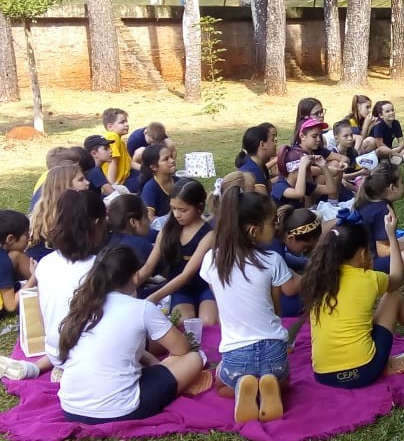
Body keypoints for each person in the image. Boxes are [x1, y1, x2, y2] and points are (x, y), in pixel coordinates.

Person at [56, 244, 208, 424]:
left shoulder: (83, 305)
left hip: (71, 408)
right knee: (194, 358)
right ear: (136, 276)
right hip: (121, 409)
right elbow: (182, 349)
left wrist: (152, 361)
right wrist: (158, 363)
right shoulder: (141, 308)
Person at [300, 207, 404, 389]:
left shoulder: (317, 279)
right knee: (393, 297)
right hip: (363, 371)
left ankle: (381, 362)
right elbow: (396, 279)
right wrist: (391, 236)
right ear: (363, 254)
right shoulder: (367, 279)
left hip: (323, 375)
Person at [200, 174, 299, 422]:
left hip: (236, 355)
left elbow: (221, 299)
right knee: (284, 381)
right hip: (274, 352)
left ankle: (243, 386)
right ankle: (270, 384)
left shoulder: (212, 260)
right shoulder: (273, 260)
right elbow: (276, 310)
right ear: (254, 230)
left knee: (220, 383)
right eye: (273, 222)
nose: (277, 227)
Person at [0, 190, 107, 381]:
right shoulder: (100, 268)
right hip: (90, 356)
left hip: (55, 348)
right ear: (97, 223)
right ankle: (64, 367)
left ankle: (42, 367)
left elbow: (44, 316)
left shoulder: (45, 263)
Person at [138, 180, 219, 324]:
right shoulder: (167, 230)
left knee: (208, 321)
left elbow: (187, 274)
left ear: (199, 207)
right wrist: (129, 286)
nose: (177, 214)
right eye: (173, 208)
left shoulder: (208, 234)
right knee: (183, 321)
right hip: (180, 289)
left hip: (204, 287)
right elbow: (148, 267)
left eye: (183, 210)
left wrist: (152, 298)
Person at [27, 164, 90, 264]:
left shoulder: (41, 213)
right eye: (81, 180)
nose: (87, 182)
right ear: (65, 186)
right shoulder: (67, 216)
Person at [269, 206, 322, 318]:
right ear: (291, 238)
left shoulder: (276, 239)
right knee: (316, 296)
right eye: (305, 247)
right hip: (269, 302)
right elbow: (290, 289)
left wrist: (305, 262)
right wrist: (316, 274)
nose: (306, 251)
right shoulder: (274, 248)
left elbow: (285, 258)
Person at [106, 194, 155, 263]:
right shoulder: (140, 245)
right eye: (146, 216)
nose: (149, 221)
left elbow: (154, 234)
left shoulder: (109, 240)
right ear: (133, 222)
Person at [138, 144, 178, 222]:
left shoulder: (179, 182)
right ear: (154, 167)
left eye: (171, 156)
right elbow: (149, 219)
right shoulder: (150, 188)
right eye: (166, 159)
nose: (172, 160)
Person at [99, 108, 136, 190]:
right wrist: (112, 186)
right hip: (119, 182)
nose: (126, 124)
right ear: (110, 126)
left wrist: (145, 169)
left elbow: (130, 163)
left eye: (126, 121)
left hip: (126, 177)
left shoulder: (120, 141)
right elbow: (112, 161)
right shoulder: (113, 137)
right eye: (122, 122)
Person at [234, 124, 275, 194]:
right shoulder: (254, 171)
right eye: (272, 140)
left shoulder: (260, 165)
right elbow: (264, 200)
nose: (275, 144)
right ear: (262, 144)